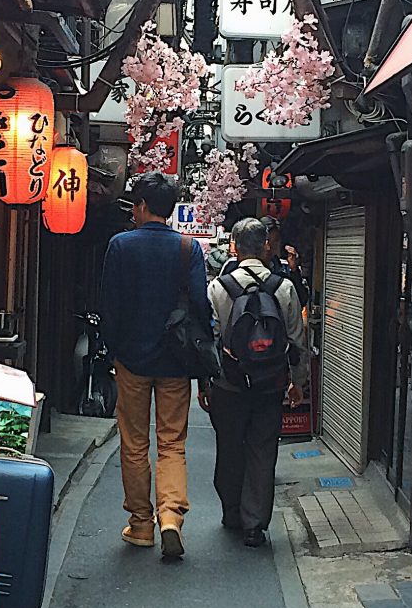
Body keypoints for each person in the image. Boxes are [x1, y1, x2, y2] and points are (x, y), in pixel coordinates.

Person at [99, 171, 210, 559]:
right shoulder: (187, 248)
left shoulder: (121, 245)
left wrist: (115, 348)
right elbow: (200, 302)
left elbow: (109, 304)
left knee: (133, 442)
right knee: (172, 443)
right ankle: (170, 517)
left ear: (142, 206)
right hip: (175, 360)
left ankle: (142, 524)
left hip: (132, 357)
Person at [201, 217, 309, 548]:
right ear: (265, 246)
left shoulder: (218, 288)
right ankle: (255, 523)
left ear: (233, 246)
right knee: (262, 450)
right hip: (270, 383)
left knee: (230, 446)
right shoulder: (284, 287)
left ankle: (232, 511)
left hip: (229, 383)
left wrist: (204, 384)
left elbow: (210, 340)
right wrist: (298, 382)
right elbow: (296, 339)